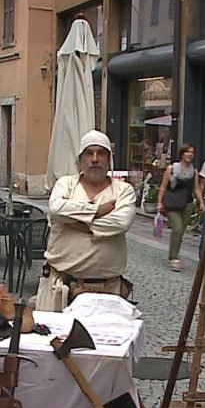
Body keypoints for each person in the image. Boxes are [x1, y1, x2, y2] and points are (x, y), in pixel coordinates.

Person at [35, 130, 136, 312]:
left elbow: (120, 223)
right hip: (60, 286)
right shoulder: (66, 184)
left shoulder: (123, 191)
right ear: (80, 159)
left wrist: (77, 223)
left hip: (108, 290)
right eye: (89, 153)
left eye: (101, 153)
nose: (95, 159)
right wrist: (97, 211)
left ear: (109, 159)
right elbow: (56, 208)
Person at [157, 143, 201, 271]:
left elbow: (196, 188)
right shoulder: (171, 169)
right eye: (187, 152)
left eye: (192, 152)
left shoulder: (194, 171)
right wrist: (159, 202)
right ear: (181, 154)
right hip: (172, 203)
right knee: (177, 228)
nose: (190, 154)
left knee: (181, 231)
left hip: (187, 204)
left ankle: (175, 251)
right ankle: (174, 257)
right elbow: (163, 187)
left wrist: (201, 202)